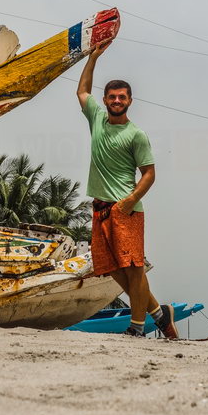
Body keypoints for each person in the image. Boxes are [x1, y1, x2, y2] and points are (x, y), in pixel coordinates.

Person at [76, 41, 178, 339]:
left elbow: (149, 174)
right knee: (111, 269)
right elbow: (82, 91)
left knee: (133, 269)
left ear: (130, 101)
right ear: (105, 100)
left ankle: (137, 326)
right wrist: (93, 57)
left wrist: (130, 200)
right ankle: (159, 313)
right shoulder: (96, 118)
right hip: (100, 208)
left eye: (122, 97)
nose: (116, 100)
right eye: (112, 96)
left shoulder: (136, 135)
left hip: (126, 209)